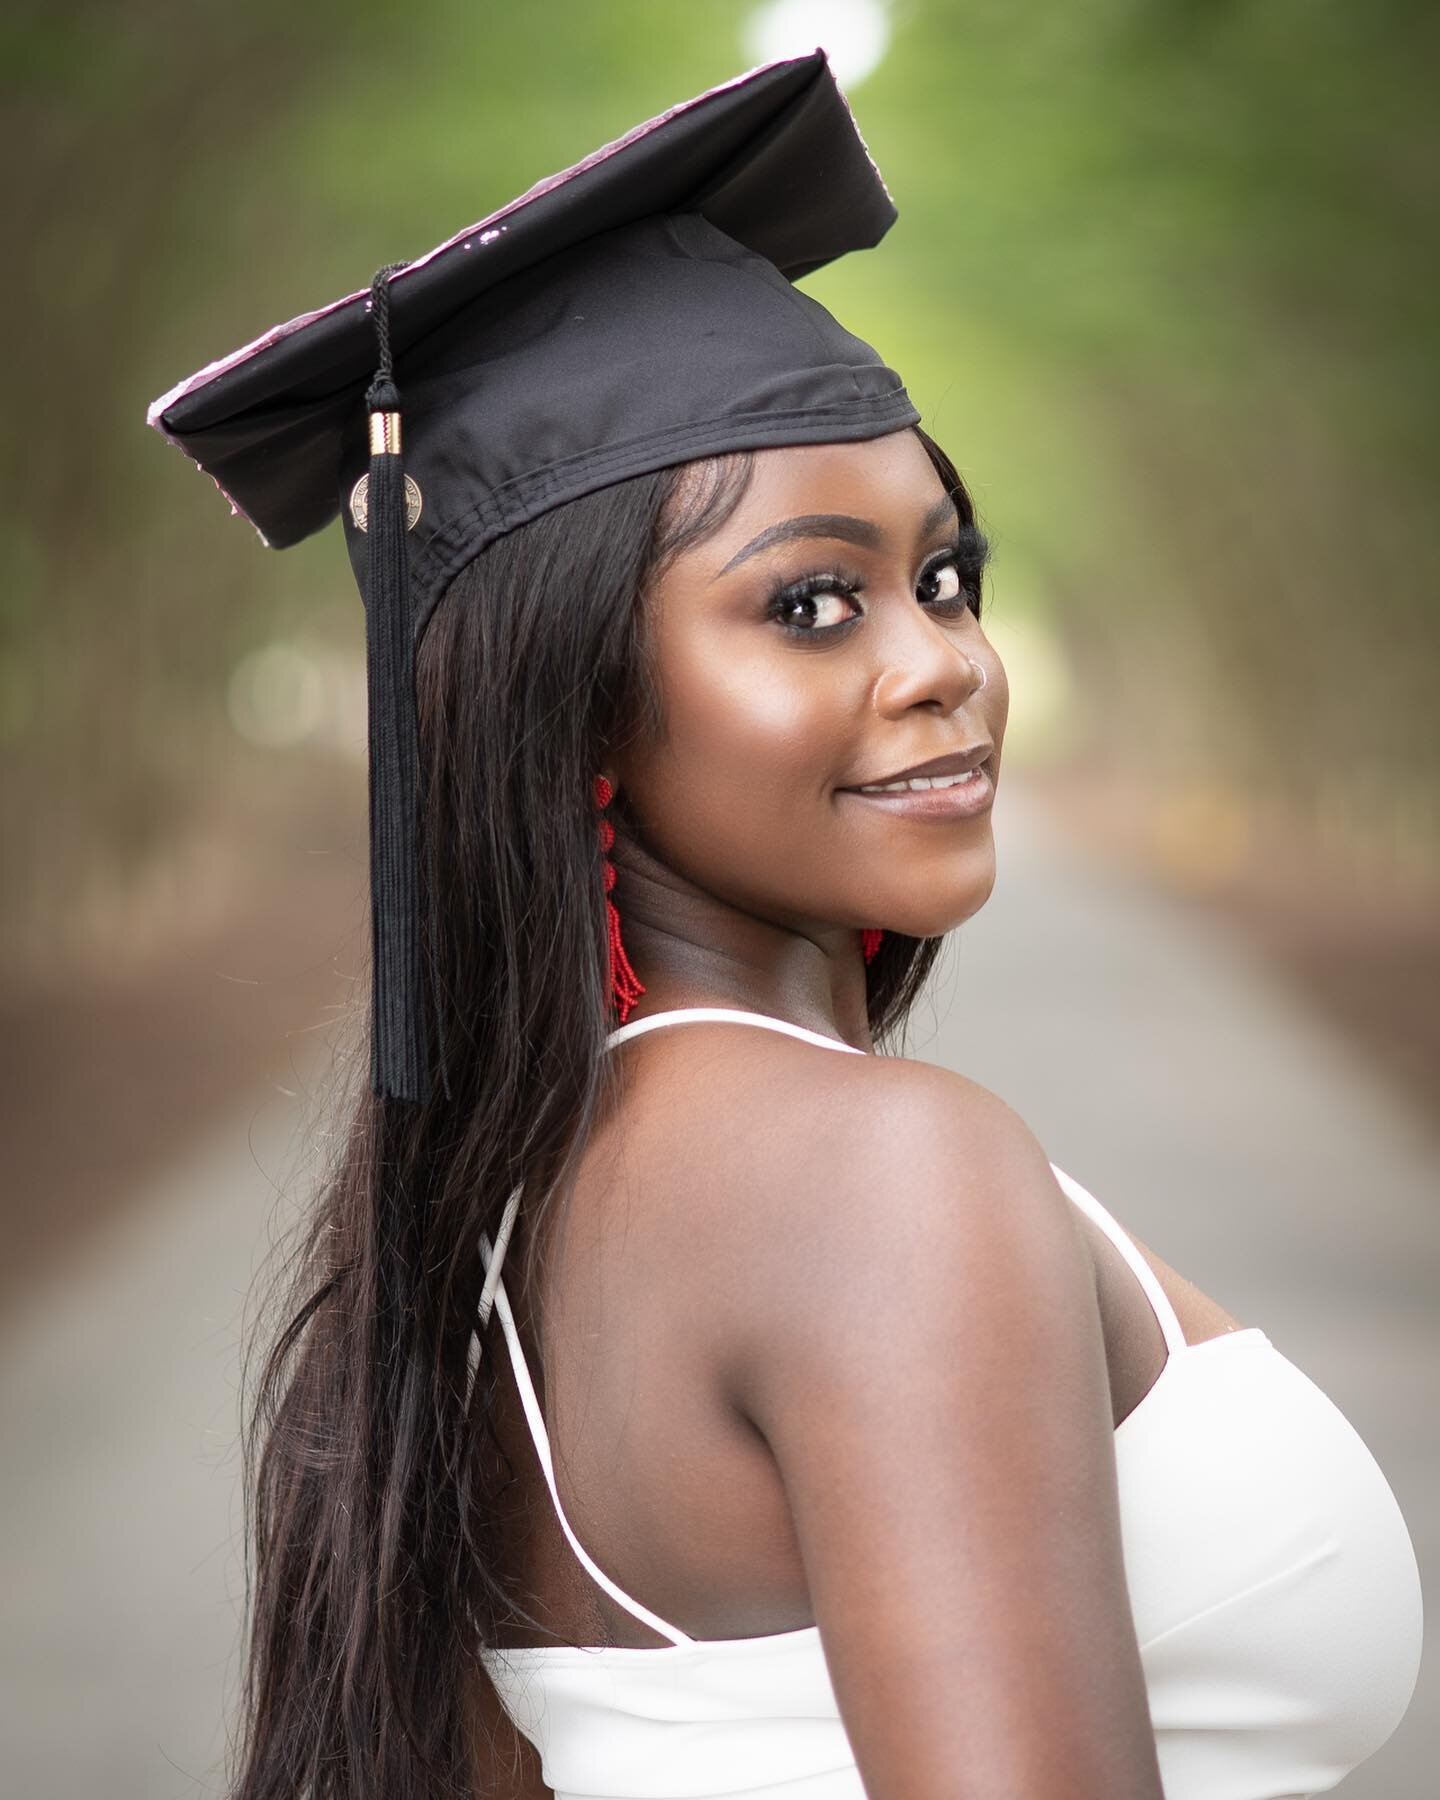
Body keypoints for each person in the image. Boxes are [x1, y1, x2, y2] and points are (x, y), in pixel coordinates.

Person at [147, 52, 1422, 1800]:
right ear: (574, 703)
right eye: (812, 604)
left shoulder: (500, 1222)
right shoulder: (879, 1173)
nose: (941, 665)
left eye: (945, 576)